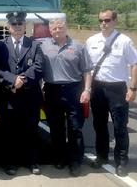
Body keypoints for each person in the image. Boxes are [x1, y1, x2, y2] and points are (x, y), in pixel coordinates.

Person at [86, 8, 137, 177]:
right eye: (101, 20)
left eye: (107, 20)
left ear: (115, 21)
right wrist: (87, 89)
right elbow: (87, 68)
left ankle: (121, 161)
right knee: (100, 124)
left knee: (120, 126)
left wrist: (132, 88)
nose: (104, 23)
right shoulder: (91, 40)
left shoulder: (125, 41)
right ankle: (102, 156)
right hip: (97, 88)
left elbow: (135, 65)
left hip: (117, 88)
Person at [0, 11, 45, 176]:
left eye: (20, 24)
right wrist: (12, 80)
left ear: (25, 26)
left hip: (30, 96)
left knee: (31, 131)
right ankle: (10, 163)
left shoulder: (35, 45)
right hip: (8, 96)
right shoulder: (0, 45)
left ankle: (32, 161)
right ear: (8, 27)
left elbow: (38, 67)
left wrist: (20, 80)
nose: (17, 27)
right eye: (14, 24)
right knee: (9, 132)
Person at [40, 19, 93, 176]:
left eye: (60, 27)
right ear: (50, 30)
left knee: (75, 127)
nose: (57, 30)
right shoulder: (43, 47)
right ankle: (60, 158)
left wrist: (87, 90)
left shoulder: (78, 47)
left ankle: (75, 161)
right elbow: (39, 69)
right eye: (54, 28)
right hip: (51, 90)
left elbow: (87, 70)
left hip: (73, 90)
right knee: (56, 128)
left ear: (66, 28)